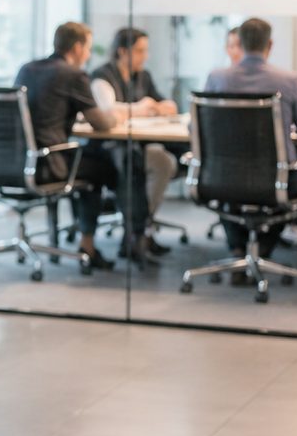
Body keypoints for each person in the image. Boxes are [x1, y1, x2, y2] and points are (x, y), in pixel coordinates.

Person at [14, 22, 142, 268]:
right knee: (103, 167)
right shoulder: (73, 74)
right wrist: (120, 115)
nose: (89, 55)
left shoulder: (27, 69)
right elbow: (102, 123)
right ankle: (91, 244)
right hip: (49, 162)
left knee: (86, 161)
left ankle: (84, 233)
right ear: (77, 47)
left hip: (20, 160)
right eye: (88, 49)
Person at [203, 17, 297, 279]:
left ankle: (236, 249)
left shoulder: (217, 78)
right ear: (270, 44)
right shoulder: (288, 80)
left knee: (233, 187)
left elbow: (197, 131)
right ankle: (263, 251)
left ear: (240, 44)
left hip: (222, 178)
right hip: (276, 180)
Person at [90, 27, 179, 254]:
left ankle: (139, 227)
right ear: (122, 51)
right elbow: (107, 110)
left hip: (138, 144)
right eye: (140, 51)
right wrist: (141, 108)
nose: (145, 56)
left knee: (164, 161)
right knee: (151, 162)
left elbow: (167, 105)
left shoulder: (143, 76)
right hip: (108, 148)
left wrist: (158, 106)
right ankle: (137, 229)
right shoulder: (103, 77)